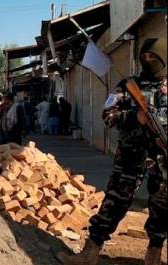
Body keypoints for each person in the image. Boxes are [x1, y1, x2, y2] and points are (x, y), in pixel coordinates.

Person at [57, 38, 167, 265]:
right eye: (144, 56)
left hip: (162, 158)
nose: (147, 60)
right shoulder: (128, 86)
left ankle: (153, 254)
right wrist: (133, 117)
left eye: (153, 57)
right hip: (130, 156)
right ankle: (89, 254)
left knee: (162, 207)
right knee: (114, 202)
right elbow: (107, 115)